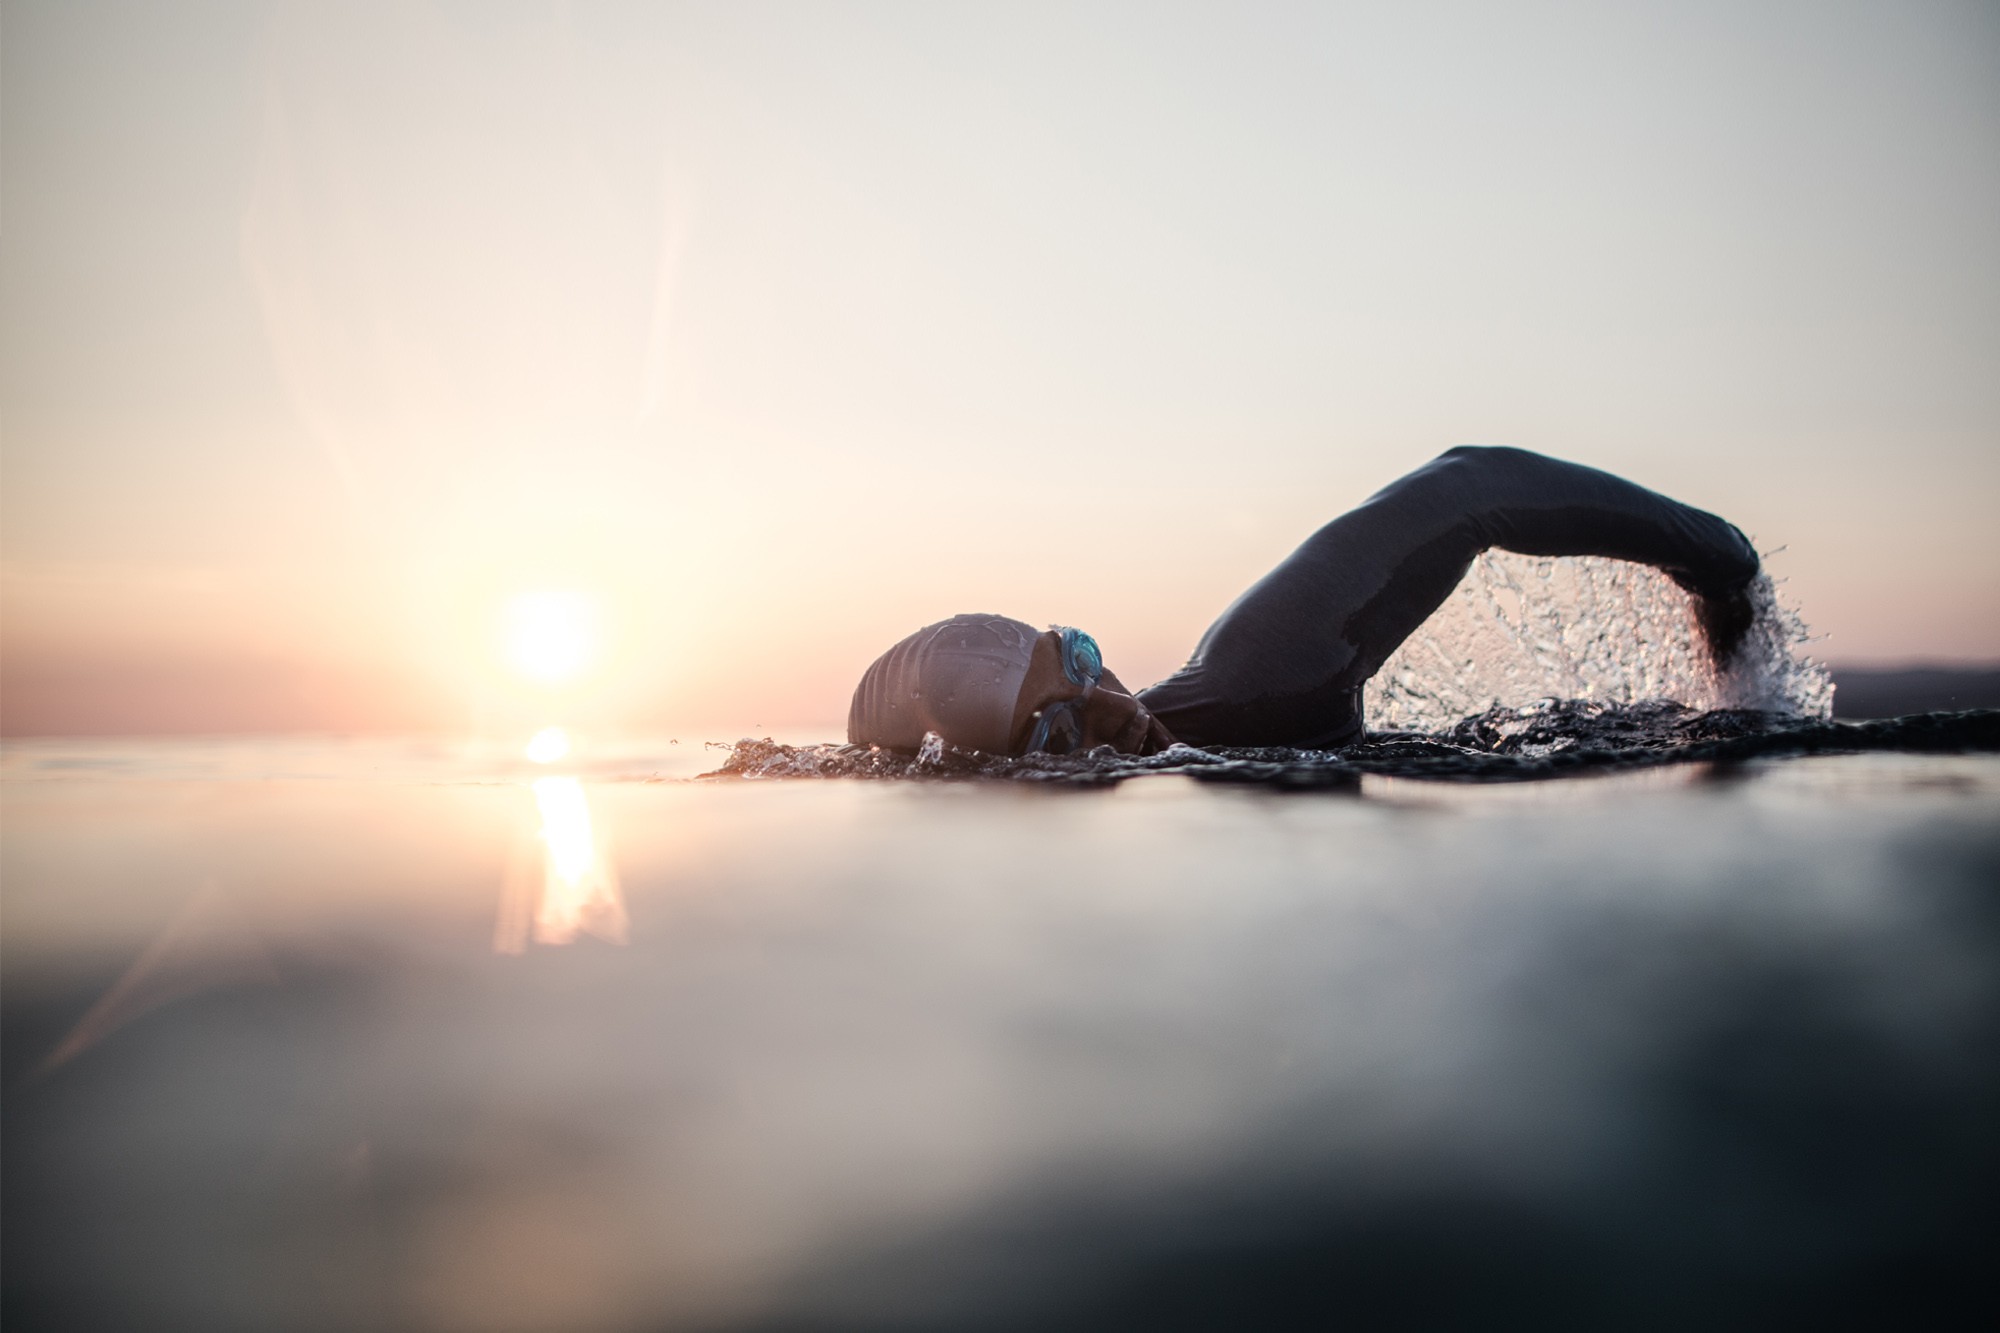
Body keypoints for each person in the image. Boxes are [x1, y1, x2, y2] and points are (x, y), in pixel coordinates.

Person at [847, 447, 1760, 757]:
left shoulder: (1266, 676)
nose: (1114, 708)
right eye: (1056, 731)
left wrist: (1717, 566)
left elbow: (1467, 486)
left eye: (1082, 658)